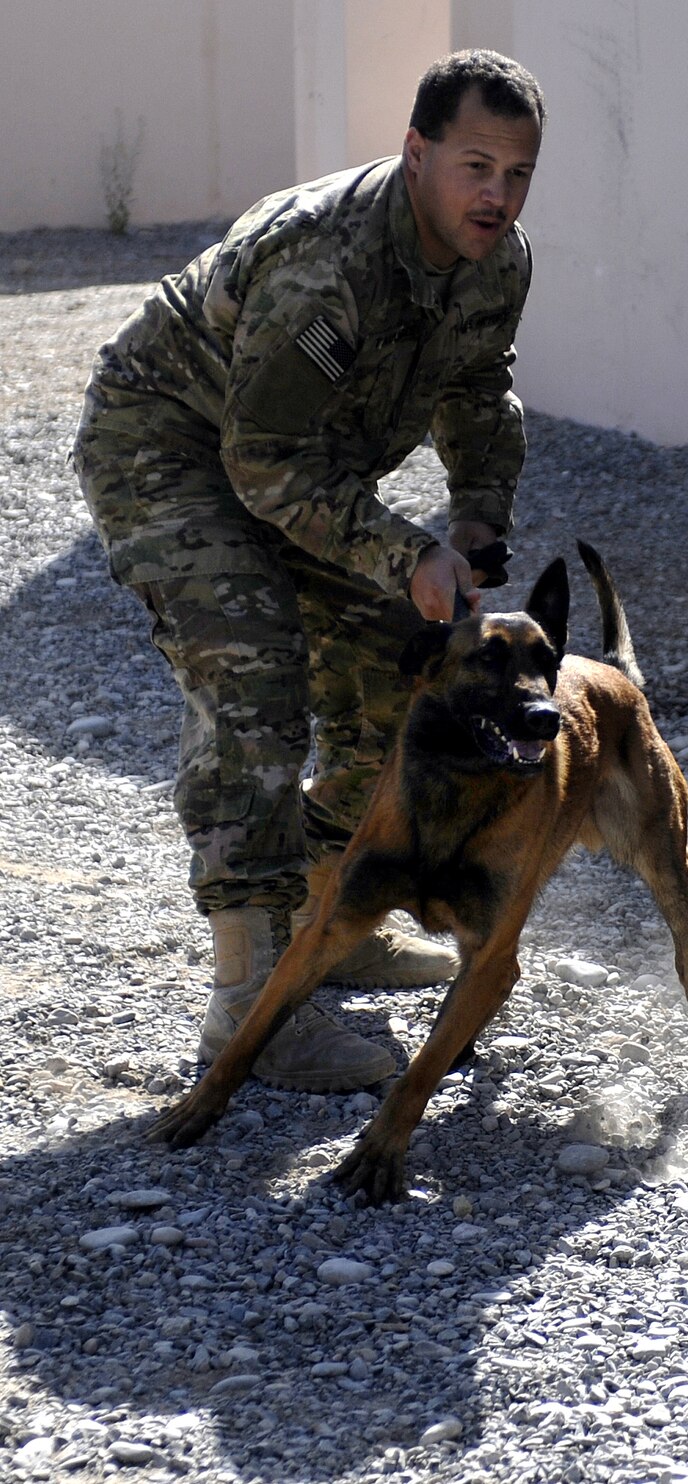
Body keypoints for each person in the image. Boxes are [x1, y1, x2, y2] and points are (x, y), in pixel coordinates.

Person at [73, 50, 543, 1093]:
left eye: (517, 175)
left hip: (303, 465)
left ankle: (333, 921)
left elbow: (478, 389)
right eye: (474, 166)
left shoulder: (497, 261)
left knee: (398, 666)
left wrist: (469, 524)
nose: (496, 196)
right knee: (255, 676)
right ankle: (255, 1006)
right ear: (416, 152)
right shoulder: (326, 259)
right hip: (174, 448)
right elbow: (259, 459)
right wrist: (400, 548)